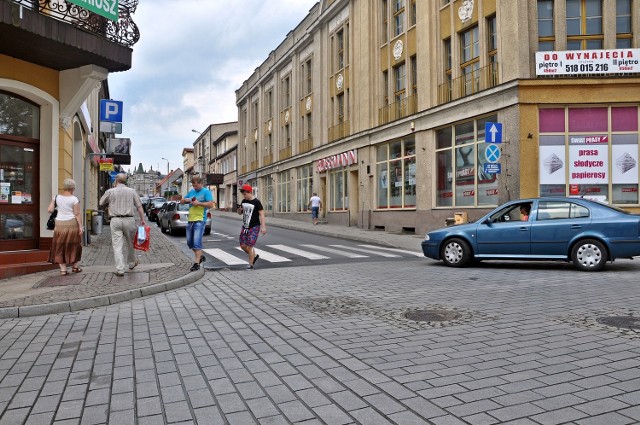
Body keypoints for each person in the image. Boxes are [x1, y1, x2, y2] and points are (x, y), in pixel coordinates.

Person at [99, 173, 146, 276]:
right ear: (126, 181)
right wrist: (142, 219)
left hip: (115, 220)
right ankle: (131, 263)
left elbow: (101, 202)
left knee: (117, 246)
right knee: (131, 243)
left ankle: (120, 269)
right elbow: (139, 206)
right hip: (129, 220)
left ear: (116, 180)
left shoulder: (110, 191)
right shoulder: (132, 191)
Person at [48, 179, 83, 275]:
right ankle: (75, 267)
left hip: (59, 224)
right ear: (72, 188)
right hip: (71, 224)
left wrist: (57, 206)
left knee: (59, 245)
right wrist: (81, 227)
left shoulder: (56, 197)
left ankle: (63, 270)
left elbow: (50, 210)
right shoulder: (74, 199)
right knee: (74, 244)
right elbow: (77, 214)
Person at [180, 176, 214, 271]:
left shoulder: (206, 191)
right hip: (190, 220)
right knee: (189, 242)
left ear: (201, 183)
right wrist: (185, 200)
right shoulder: (191, 192)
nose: (195, 187)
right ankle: (201, 256)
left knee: (196, 241)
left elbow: (211, 204)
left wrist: (199, 203)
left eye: (196, 185)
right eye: (193, 185)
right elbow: (182, 201)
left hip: (200, 219)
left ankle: (196, 263)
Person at [236, 184, 266, 269]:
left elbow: (262, 214)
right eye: (243, 194)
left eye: (245, 194)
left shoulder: (256, 202)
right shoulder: (244, 201)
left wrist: (263, 226)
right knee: (242, 245)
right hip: (245, 226)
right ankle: (254, 255)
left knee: (250, 246)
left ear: (250, 192)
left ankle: (250, 264)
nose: (244, 196)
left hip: (254, 226)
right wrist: (239, 210)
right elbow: (239, 213)